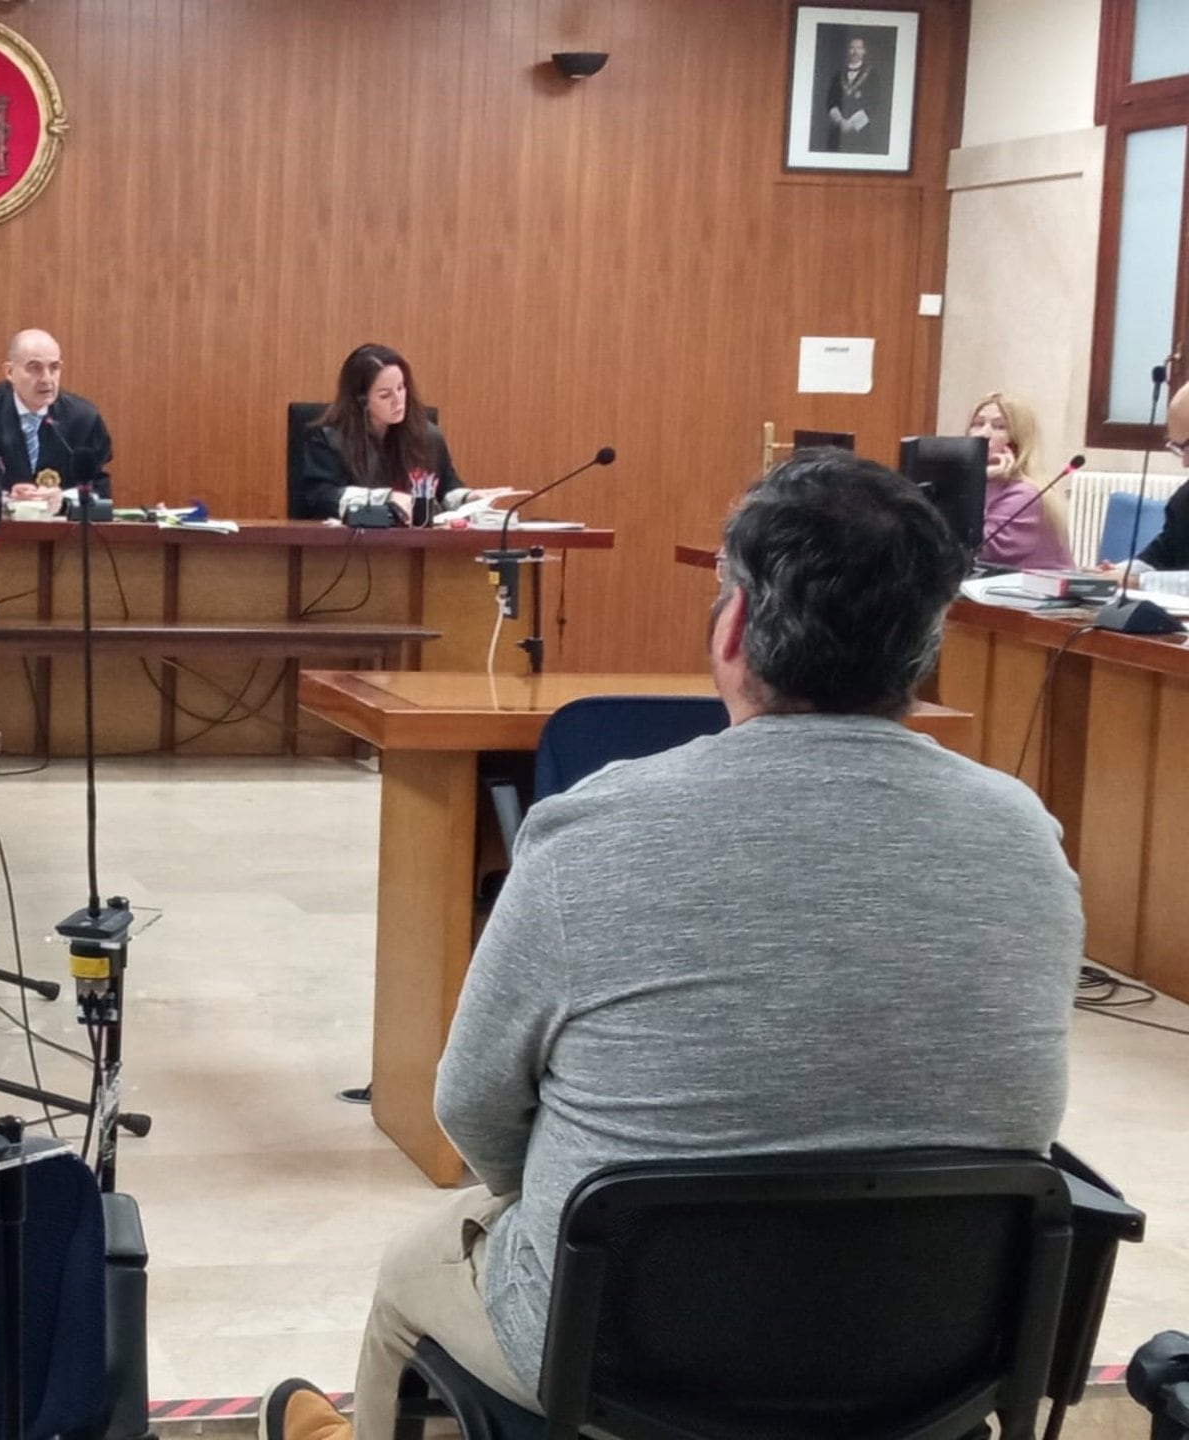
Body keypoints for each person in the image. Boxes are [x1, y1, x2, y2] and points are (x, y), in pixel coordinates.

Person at [259, 450, 1081, 1440]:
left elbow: (472, 1106)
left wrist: (565, 1196)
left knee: (412, 1267)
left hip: (620, 1356)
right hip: (937, 1359)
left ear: (734, 625)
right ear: (924, 645)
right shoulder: (1027, 837)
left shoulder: (593, 829)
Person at [299, 344, 516, 524]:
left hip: (415, 546)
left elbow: (445, 490)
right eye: (385, 395)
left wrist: (470, 497)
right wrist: (386, 498)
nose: (398, 401)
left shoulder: (428, 436)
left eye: (401, 388)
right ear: (361, 400)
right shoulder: (328, 438)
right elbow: (320, 498)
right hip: (348, 549)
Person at [0, 328, 113, 507]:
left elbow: (100, 490)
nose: (47, 379)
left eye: (54, 368)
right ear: (10, 372)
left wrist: (64, 498)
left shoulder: (84, 419)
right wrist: (6, 499)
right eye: (35, 368)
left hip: (60, 523)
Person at [968, 391, 1073, 570]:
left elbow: (976, 548)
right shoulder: (978, 481)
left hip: (1035, 587)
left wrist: (976, 482)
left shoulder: (1024, 494)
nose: (983, 434)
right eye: (978, 424)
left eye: (999, 427)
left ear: (1017, 441)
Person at [1102, 381, 1189, 577]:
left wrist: (1141, 582)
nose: (1185, 462)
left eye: (1187, 447)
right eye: (1177, 448)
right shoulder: (1184, 499)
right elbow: (1161, 556)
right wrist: (1117, 572)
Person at [823, 34, 886, 154]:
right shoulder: (838, 74)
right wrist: (841, 121)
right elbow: (830, 101)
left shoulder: (872, 75)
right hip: (838, 132)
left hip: (861, 133)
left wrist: (852, 123)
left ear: (864, 51)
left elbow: (874, 103)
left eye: (858, 48)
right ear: (848, 51)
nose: (855, 51)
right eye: (852, 48)